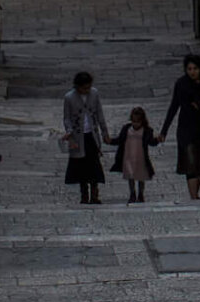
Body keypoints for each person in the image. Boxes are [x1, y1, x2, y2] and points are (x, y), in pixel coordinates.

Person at [159, 53, 200, 200]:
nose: (192, 72)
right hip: (186, 128)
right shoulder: (181, 84)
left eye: (195, 68)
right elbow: (173, 107)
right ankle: (194, 196)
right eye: (189, 69)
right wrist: (164, 131)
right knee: (190, 162)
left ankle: (195, 194)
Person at [60, 71, 110, 205]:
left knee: (94, 165)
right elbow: (67, 117)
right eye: (84, 88)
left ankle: (94, 194)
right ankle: (84, 195)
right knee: (81, 167)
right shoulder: (69, 98)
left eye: (88, 87)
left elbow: (99, 114)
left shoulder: (94, 94)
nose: (87, 90)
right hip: (78, 137)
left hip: (92, 135)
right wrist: (69, 132)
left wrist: (105, 132)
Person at [110, 106, 160, 203]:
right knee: (130, 176)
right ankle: (132, 193)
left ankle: (140, 194)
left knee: (141, 176)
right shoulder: (126, 129)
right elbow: (120, 140)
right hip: (128, 156)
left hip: (140, 157)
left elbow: (151, 141)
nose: (135, 124)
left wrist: (157, 140)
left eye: (138, 122)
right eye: (134, 121)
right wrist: (110, 141)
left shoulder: (146, 131)